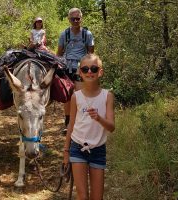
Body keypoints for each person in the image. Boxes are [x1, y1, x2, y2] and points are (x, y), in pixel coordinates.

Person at [63, 54, 115, 200]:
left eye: (94, 68)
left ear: (100, 72)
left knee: (97, 197)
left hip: (98, 150)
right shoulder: (76, 97)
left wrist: (99, 118)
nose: (89, 72)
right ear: (80, 72)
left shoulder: (107, 96)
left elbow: (111, 127)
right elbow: (71, 124)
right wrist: (66, 151)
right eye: (85, 69)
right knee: (82, 196)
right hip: (77, 148)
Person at [57, 8, 94, 134]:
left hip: (81, 68)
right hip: (67, 67)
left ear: (81, 19)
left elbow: (91, 53)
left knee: (80, 96)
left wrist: (87, 68)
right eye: (73, 19)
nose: (76, 21)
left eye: (78, 18)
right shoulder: (64, 34)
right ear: (69, 19)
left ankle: (81, 123)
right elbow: (59, 53)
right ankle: (68, 124)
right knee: (67, 96)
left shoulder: (87, 34)